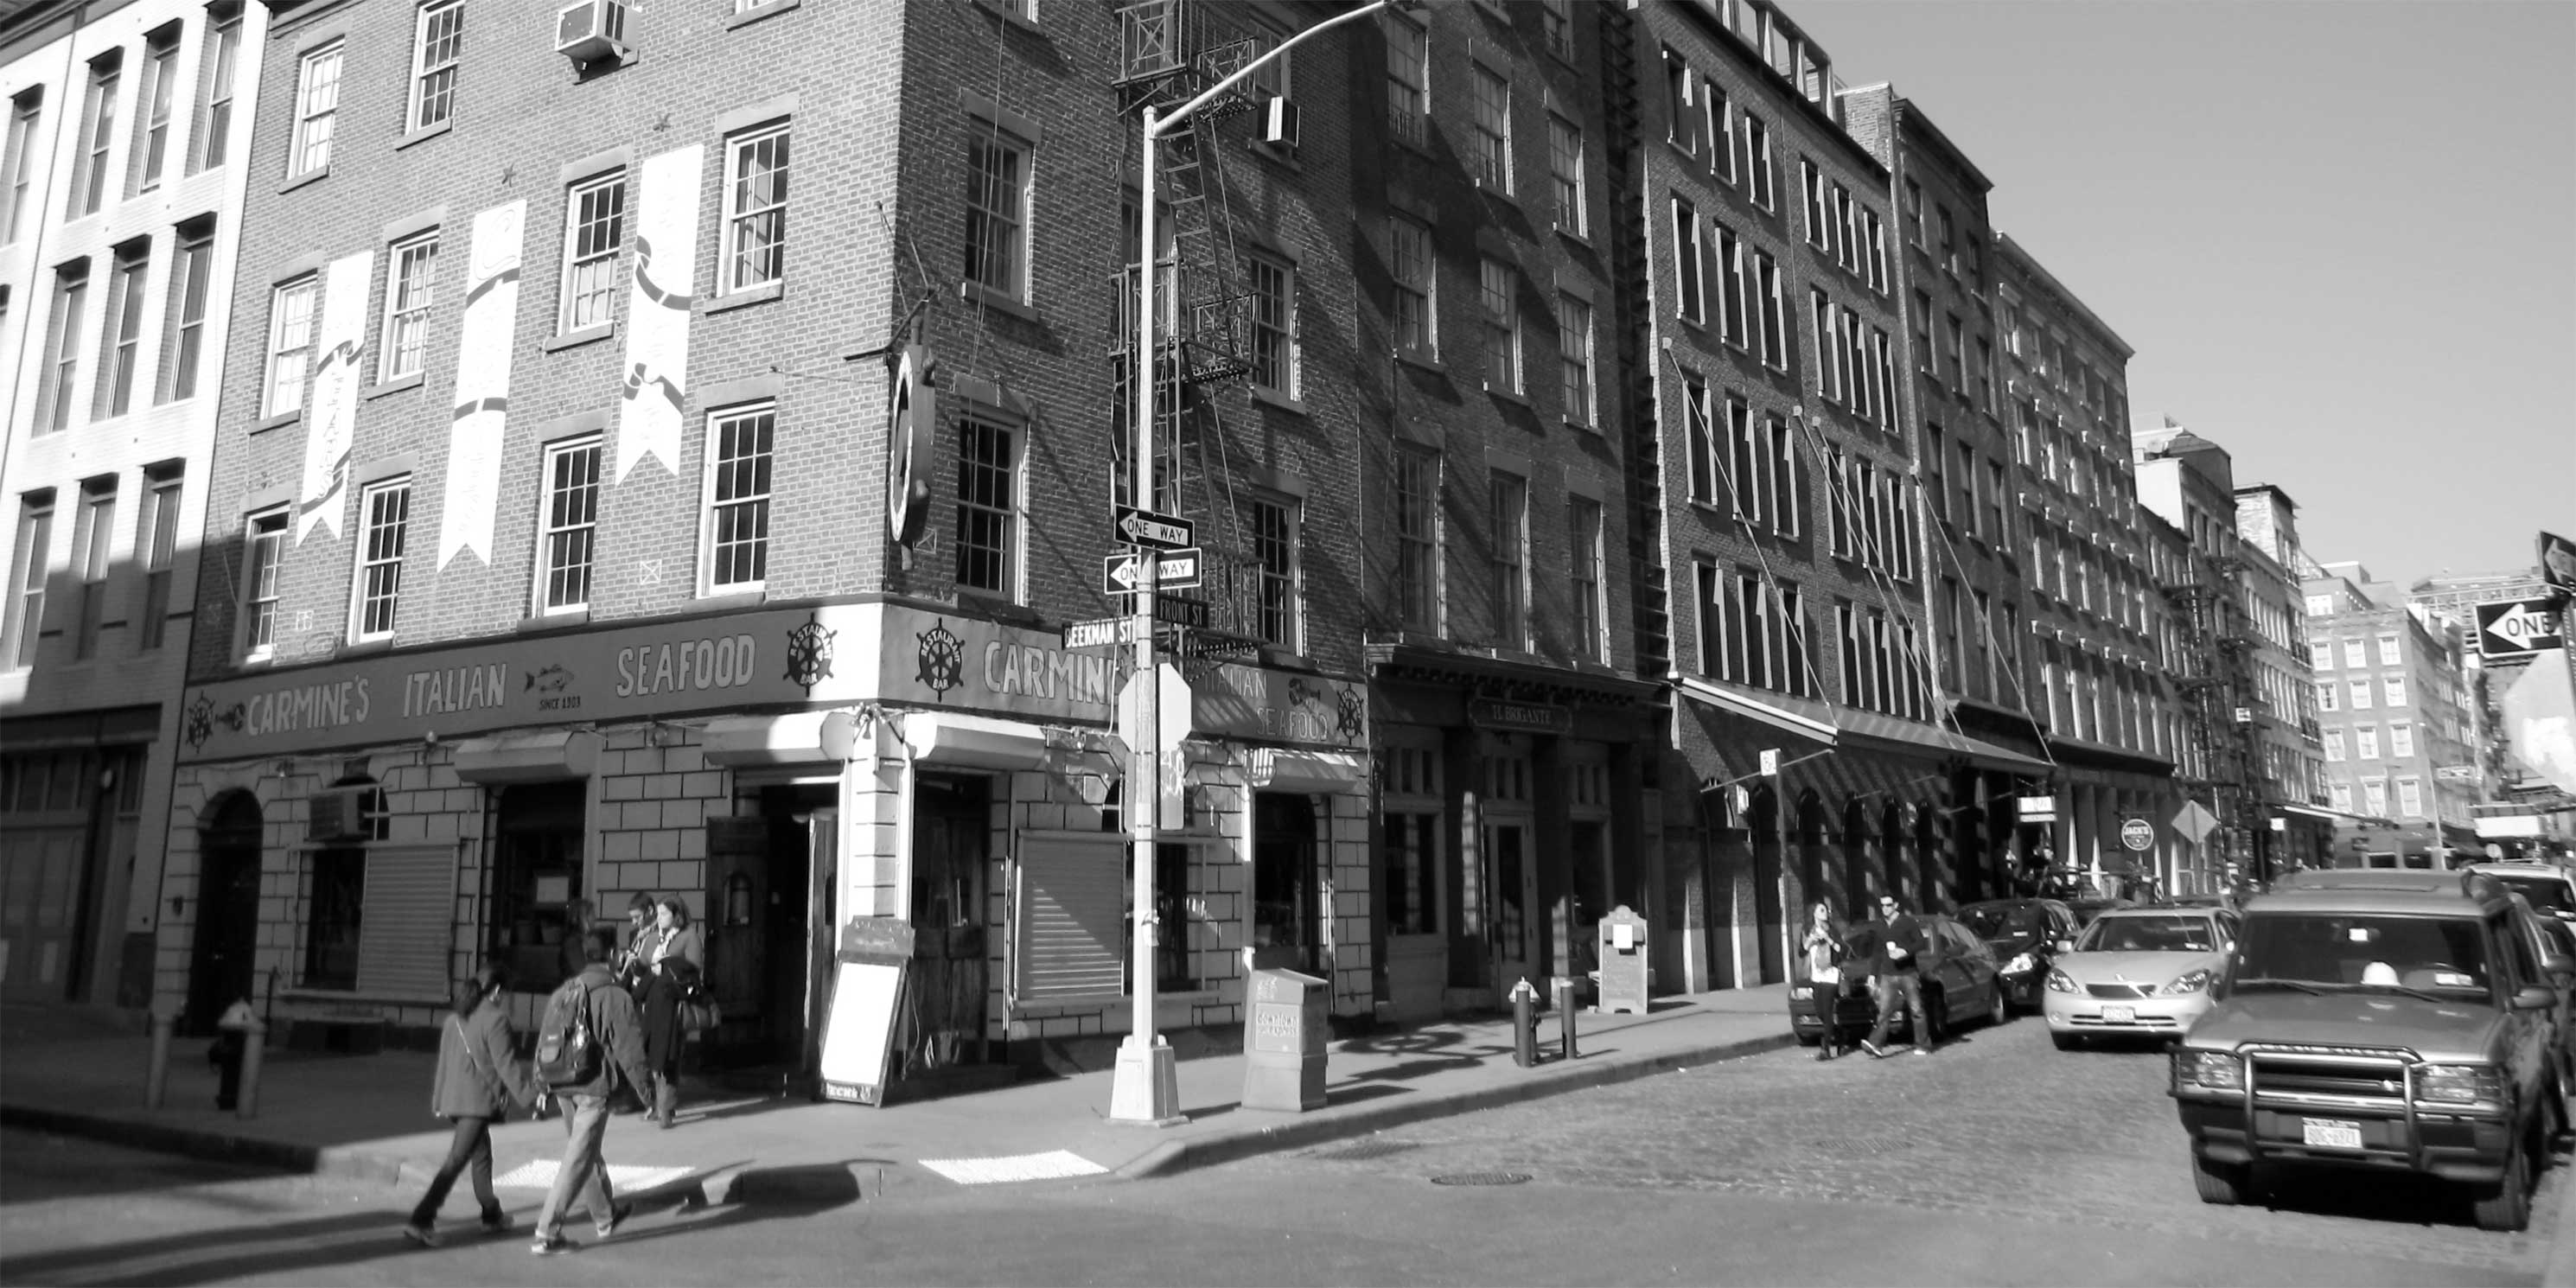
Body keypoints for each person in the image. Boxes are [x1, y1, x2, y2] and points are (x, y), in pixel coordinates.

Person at [531, 930, 654, 1256]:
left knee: (586, 1151)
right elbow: (631, 1051)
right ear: (612, 955)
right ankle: (548, 1231)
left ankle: (605, 1216)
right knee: (578, 1157)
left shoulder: (563, 992)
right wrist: (648, 1094)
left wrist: (541, 1084)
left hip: (562, 1084)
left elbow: (544, 1041)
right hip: (592, 1087)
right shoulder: (616, 995)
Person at [404, 966, 534, 1247]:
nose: (505, 998)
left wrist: (438, 1100)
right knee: (456, 1161)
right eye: (505, 993)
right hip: (477, 1103)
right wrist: (531, 1098)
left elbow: (444, 1063)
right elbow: (506, 1067)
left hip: (455, 1100)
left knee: (481, 1156)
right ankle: (421, 1219)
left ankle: (492, 1214)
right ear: (497, 991)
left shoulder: (455, 1019)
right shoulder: (496, 1020)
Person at [637, 896, 706, 1128]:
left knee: (669, 1054)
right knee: (653, 1053)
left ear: (677, 915)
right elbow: (643, 964)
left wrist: (667, 967)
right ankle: (661, 1104)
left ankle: (665, 1107)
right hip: (652, 1005)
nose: (659, 918)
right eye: (657, 914)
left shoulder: (690, 937)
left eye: (664, 914)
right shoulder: (654, 938)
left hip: (674, 1006)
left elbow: (694, 971)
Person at [1859, 893, 1934, 1059]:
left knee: (1916, 1009)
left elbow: (1921, 942)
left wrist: (1905, 952)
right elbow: (1877, 951)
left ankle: (1923, 1044)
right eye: (1882, 905)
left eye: (1888, 905)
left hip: (1908, 973)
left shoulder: (1907, 922)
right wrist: (1872, 974)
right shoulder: (1880, 925)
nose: (1885, 908)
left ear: (1896, 905)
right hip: (1887, 975)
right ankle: (1877, 1044)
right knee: (1884, 1011)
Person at [1800, 900, 1852, 1061]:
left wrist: (1828, 938)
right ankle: (1840, 1035)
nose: (1825, 912)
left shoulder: (1833, 930)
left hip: (1831, 975)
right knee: (1821, 1012)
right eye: (1822, 910)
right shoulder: (1808, 930)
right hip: (1816, 976)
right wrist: (1810, 940)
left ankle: (1825, 1049)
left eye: (1826, 910)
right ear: (1814, 913)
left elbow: (1842, 950)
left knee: (1828, 1012)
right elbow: (1802, 952)